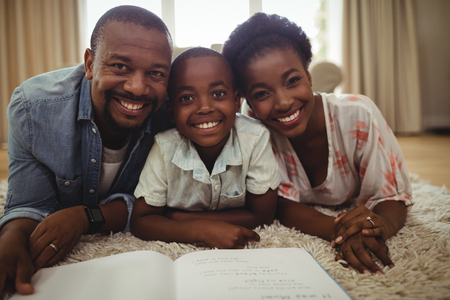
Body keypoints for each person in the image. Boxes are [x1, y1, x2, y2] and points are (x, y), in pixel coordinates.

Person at [0, 5, 173, 297]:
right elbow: (30, 202)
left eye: (156, 73)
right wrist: (12, 237)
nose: (138, 88)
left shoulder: (172, 114)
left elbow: (167, 204)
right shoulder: (34, 109)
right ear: (90, 64)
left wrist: (86, 216)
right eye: (120, 66)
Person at [222, 13, 413, 274]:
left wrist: (378, 225)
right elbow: (278, 205)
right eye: (262, 94)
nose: (284, 102)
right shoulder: (252, 132)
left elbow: (391, 195)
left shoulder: (358, 115)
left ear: (309, 78)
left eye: (293, 81)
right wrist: (338, 229)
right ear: (248, 104)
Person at [130, 47, 280, 249]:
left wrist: (175, 217)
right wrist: (200, 230)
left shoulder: (254, 137)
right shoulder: (165, 147)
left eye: (218, 94)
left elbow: (263, 215)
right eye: (187, 98)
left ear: (236, 102)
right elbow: (141, 222)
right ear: (171, 110)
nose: (205, 107)